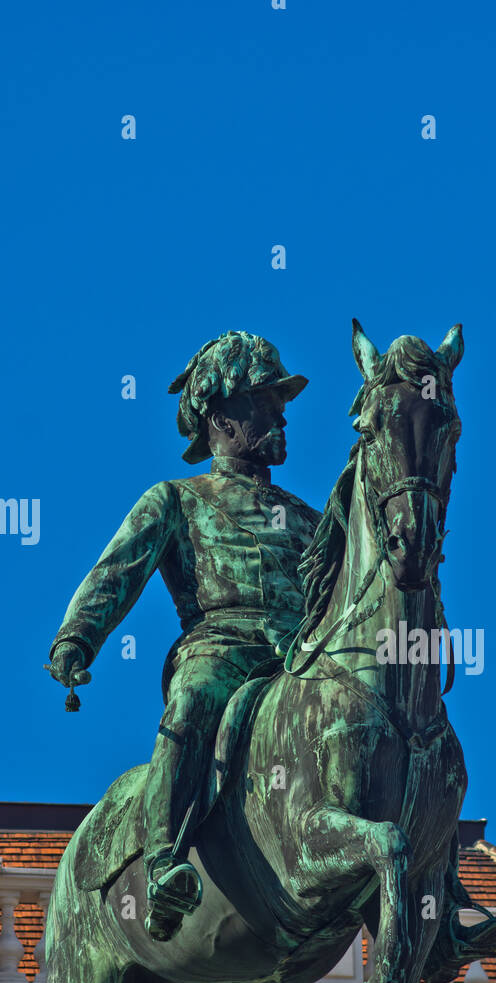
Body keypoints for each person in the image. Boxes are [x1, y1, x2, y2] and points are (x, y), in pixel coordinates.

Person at [46, 331, 320, 940]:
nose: (281, 412)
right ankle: (165, 861)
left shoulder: (311, 520)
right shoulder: (176, 500)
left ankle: (436, 893)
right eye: (264, 399)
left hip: (302, 658)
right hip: (220, 647)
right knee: (194, 700)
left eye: (280, 400)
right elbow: (115, 573)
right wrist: (77, 639)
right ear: (221, 414)